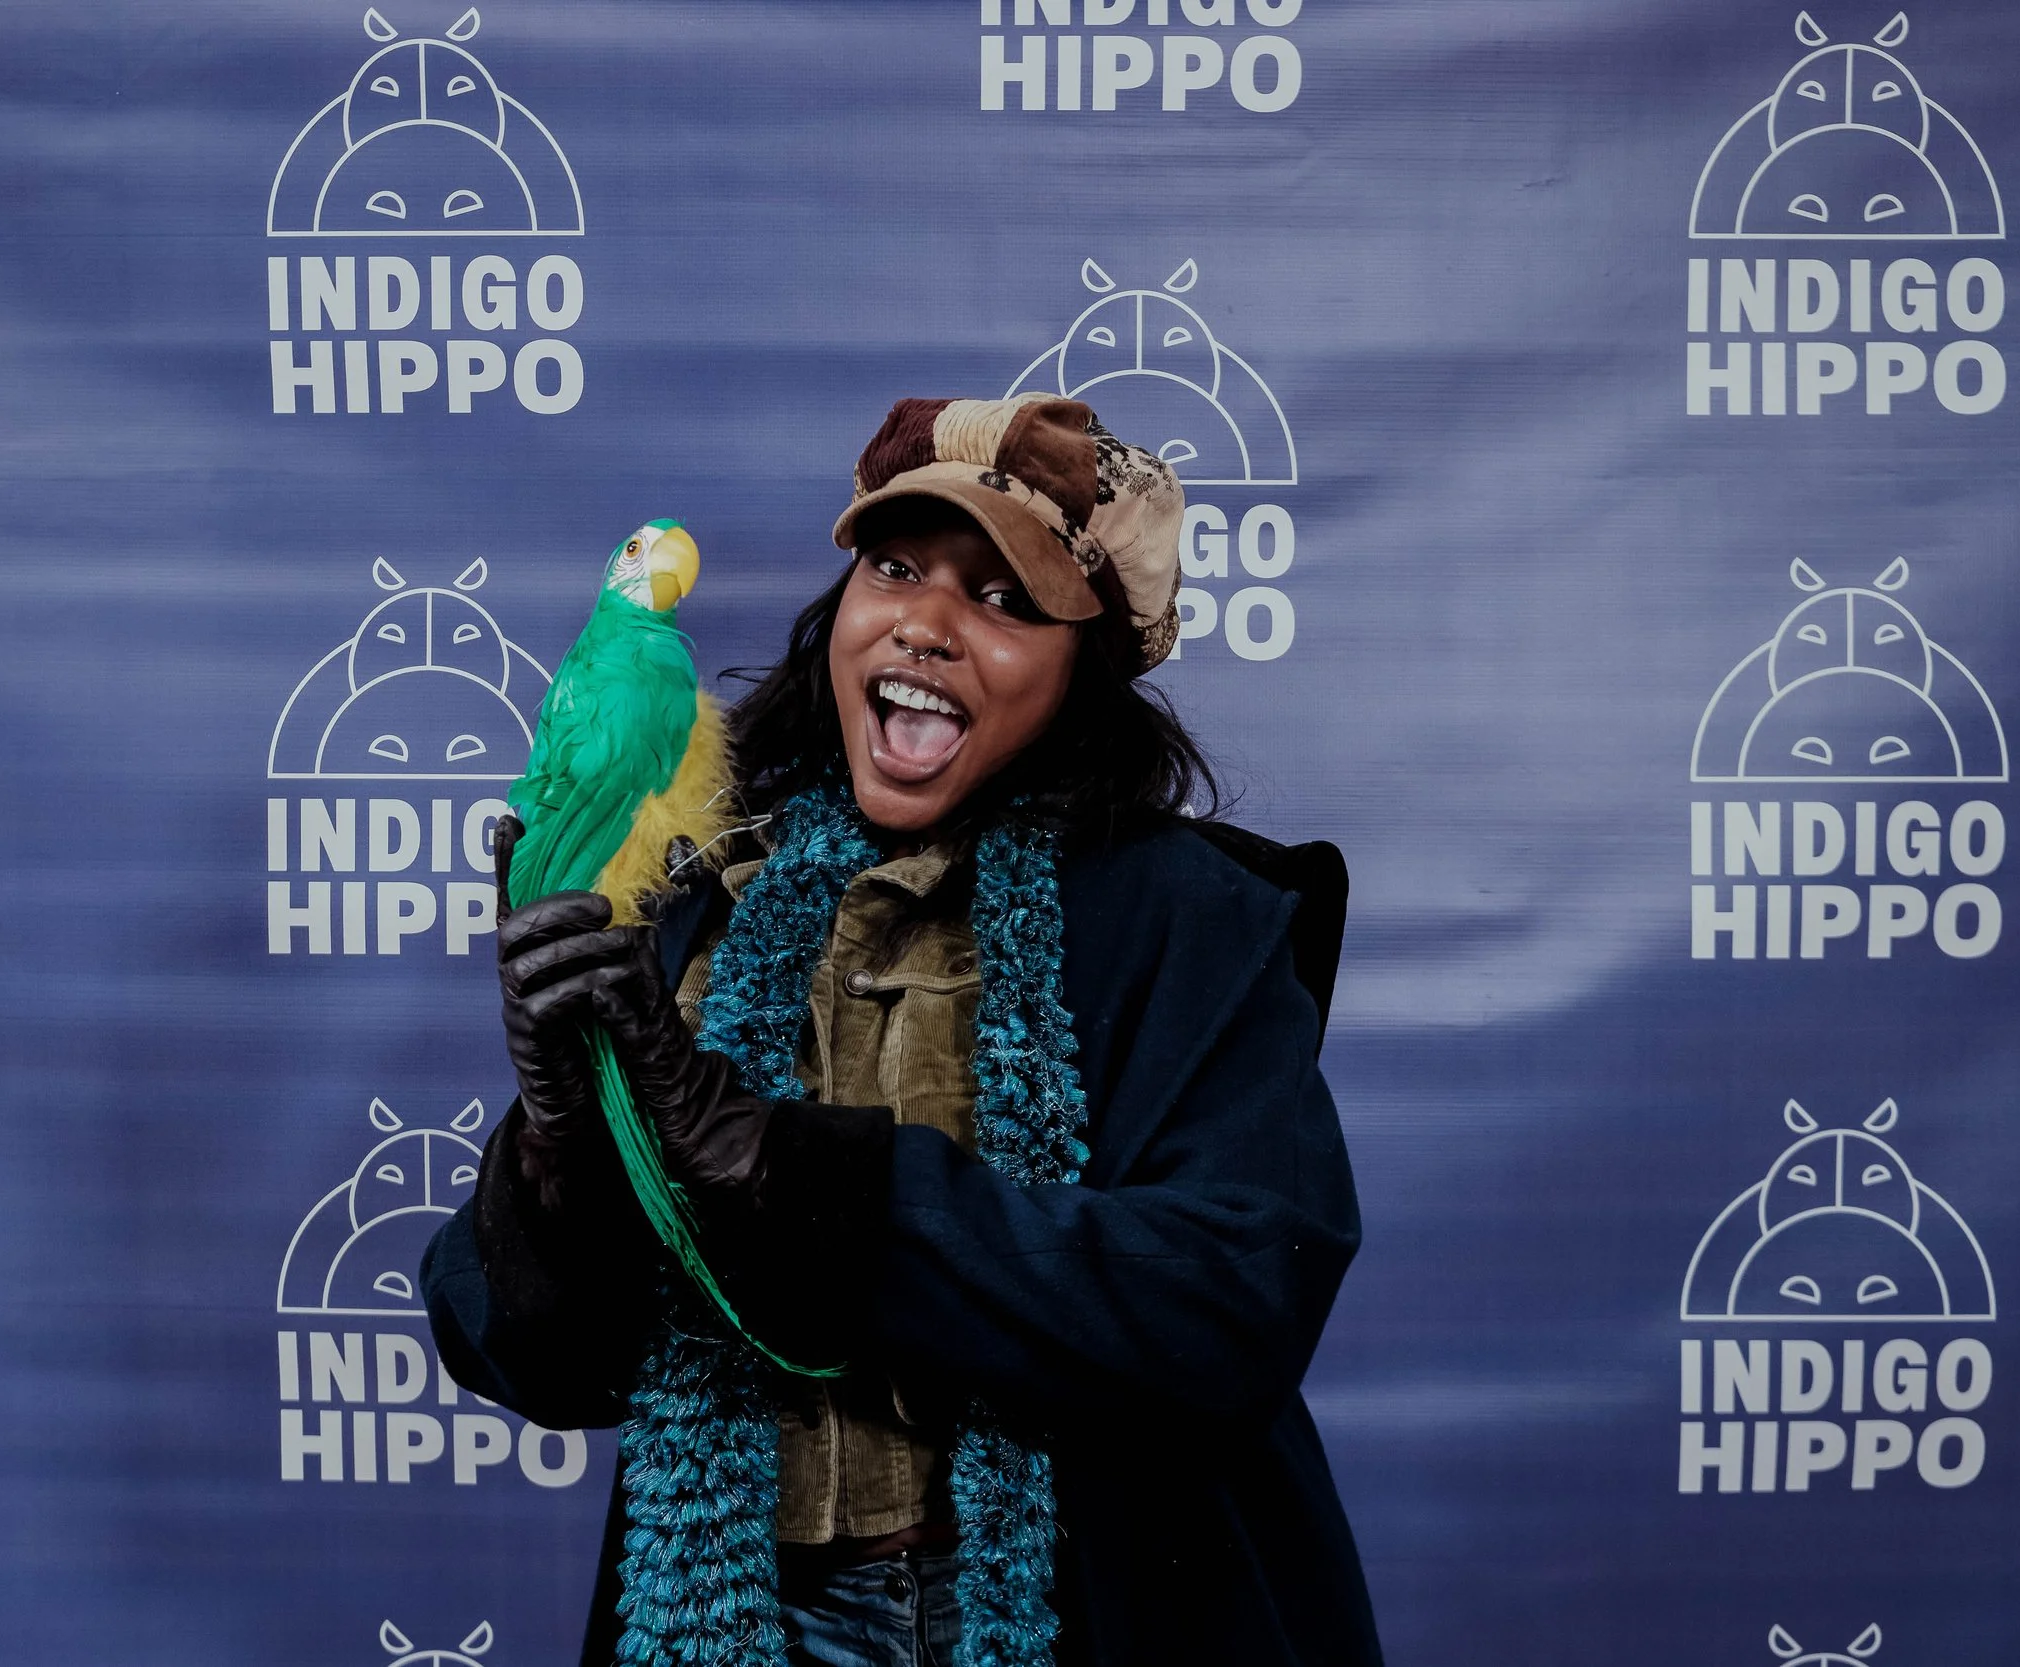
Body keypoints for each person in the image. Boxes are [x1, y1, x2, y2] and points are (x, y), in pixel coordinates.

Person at [421, 396, 1381, 1667]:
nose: (925, 621)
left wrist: (784, 1164)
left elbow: (1231, 1303)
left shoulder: (1192, 919)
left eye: (1004, 598)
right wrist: (562, 1149)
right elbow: (533, 1362)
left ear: (1080, 671)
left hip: (1086, 1620)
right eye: (893, 566)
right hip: (753, 1624)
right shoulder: (705, 895)